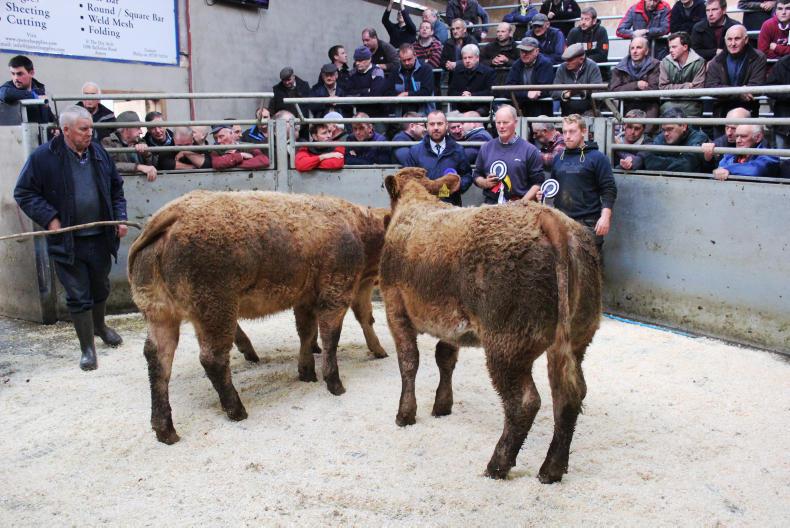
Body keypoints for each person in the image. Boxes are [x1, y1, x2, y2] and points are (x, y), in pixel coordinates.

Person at [14, 105, 127, 371]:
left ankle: (99, 326)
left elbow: (115, 186)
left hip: (100, 236)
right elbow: (24, 192)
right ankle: (87, 349)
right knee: (78, 295)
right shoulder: (43, 157)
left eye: (91, 128)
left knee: (100, 287)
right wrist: (51, 219)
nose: (90, 133)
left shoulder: (98, 152)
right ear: (65, 130)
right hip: (68, 241)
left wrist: (119, 216)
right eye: (84, 129)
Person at [545, 114, 617, 251]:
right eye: (564, 132)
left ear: (584, 131)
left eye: (572, 131)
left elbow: (609, 189)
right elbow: (553, 187)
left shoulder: (598, 158)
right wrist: (544, 195)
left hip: (588, 222)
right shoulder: (558, 158)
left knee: (590, 267)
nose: (567, 136)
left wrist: (605, 217)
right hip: (561, 220)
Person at [473, 105, 544, 205]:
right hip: (490, 206)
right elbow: (476, 175)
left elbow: (538, 183)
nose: (501, 126)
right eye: (498, 122)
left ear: (515, 122)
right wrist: (485, 183)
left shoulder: (530, 150)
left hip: (519, 207)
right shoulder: (486, 148)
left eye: (505, 122)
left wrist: (521, 203)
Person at [403, 109, 472, 206]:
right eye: (432, 124)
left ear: (446, 125)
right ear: (426, 126)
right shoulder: (415, 151)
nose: (436, 128)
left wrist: (459, 185)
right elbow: (407, 179)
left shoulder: (458, 150)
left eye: (439, 124)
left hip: (451, 207)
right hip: (424, 208)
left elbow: (467, 175)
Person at [704, 24, 767, 118]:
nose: (733, 43)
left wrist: (728, 92)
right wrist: (739, 93)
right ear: (725, 41)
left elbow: (756, 86)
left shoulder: (758, 57)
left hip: (748, 114)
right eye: (729, 39)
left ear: (746, 40)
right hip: (722, 115)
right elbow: (711, 87)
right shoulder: (716, 61)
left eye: (737, 39)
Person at [625, 108, 710, 172]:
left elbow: (687, 166)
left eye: (670, 129)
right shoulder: (661, 137)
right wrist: (679, 161)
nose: (665, 133)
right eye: (664, 129)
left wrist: (661, 161)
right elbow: (649, 161)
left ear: (684, 126)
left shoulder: (698, 137)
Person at [609, 37, 662, 119]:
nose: (635, 51)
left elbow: (654, 89)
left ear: (646, 51)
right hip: (627, 104)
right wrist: (636, 85)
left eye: (639, 47)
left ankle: (647, 133)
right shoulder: (619, 68)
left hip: (649, 105)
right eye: (632, 48)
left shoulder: (655, 65)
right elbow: (614, 91)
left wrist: (627, 89)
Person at [659, 31, 707, 117]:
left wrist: (673, 90)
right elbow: (663, 88)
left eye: (674, 47)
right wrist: (687, 86)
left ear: (685, 47)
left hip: (691, 105)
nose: (670, 50)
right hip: (670, 103)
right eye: (670, 47)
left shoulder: (699, 62)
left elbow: (698, 89)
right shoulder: (665, 62)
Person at [505, 37, 555, 117]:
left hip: (541, 110)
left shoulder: (545, 64)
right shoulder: (516, 65)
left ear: (537, 51)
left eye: (528, 51)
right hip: (521, 108)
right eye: (522, 51)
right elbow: (508, 90)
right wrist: (527, 94)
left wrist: (520, 93)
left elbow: (545, 90)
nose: (524, 54)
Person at [101, 111, 157, 181]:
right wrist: (138, 167)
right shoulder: (108, 142)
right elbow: (111, 165)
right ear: (126, 129)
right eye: (138, 128)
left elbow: (153, 166)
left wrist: (146, 154)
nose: (141, 132)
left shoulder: (140, 141)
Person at [1, 55, 55, 125]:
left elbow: (50, 118)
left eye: (19, 74)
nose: (16, 78)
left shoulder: (39, 90)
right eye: (13, 74)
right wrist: (34, 97)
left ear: (31, 73)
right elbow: (5, 94)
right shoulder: (8, 88)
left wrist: (55, 127)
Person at [552, 43, 604, 116]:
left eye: (570, 60)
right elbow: (554, 93)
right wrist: (569, 93)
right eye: (566, 60)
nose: (567, 63)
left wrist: (582, 91)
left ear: (581, 59)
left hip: (589, 113)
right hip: (568, 115)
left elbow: (598, 91)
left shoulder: (592, 66)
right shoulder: (562, 68)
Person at [714, 124, 780, 179]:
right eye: (737, 136)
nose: (738, 141)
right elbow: (720, 167)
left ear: (758, 137)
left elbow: (755, 170)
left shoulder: (770, 155)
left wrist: (728, 170)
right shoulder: (730, 155)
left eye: (743, 136)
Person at [385, 43, 435, 115]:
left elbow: (426, 92)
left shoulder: (426, 69)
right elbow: (387, 92)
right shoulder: (395, 70)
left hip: (423, 115)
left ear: (415, 55)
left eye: (409, 59)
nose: (407, 63)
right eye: (403, 60)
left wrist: (406, 95)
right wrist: (402, 95)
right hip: (400, 116)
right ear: (399, 59)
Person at [448, 44, 495, 116]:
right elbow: (451, 91)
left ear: (477, 58)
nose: (467, 61)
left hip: (481, 107)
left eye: (470, 57)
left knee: (473, 116)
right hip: (460, 107)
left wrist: (472, 95)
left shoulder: (488, 72)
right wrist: (462, 95)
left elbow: (491, 92)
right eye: (465, 58)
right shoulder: (457, 71)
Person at [347, 46, 388, 117]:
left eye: (360, 60)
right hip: (360, 113)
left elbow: (375, 96)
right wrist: (366, 91)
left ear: (369, 59)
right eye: (356, 60)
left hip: (378, 114)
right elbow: (348, 94)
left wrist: (358, 95)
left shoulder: (377, 72)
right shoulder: (352, 73)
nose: (357, 63)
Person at [767, 54, 790, 148]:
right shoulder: (783, 63)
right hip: (784, 123)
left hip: (783, 122)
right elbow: (769, 88)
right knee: (780, 159)